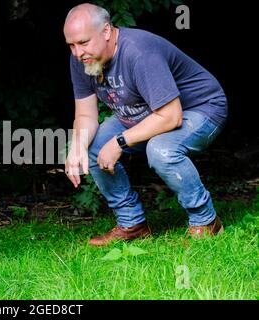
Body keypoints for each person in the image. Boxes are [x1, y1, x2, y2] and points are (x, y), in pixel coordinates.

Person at [63, 3, 227, 246]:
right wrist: (76, 147)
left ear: (106, 31)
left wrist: (120, 141)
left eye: (84, 43)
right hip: (146, 113)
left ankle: (206, 222)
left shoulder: (140, 54)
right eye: (71, 45)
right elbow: (86, 115)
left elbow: (171, 116)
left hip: (200, 109)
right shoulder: (81, 59)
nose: (78, 53)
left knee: (161, 149)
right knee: (92, 145)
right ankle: (133, 224)